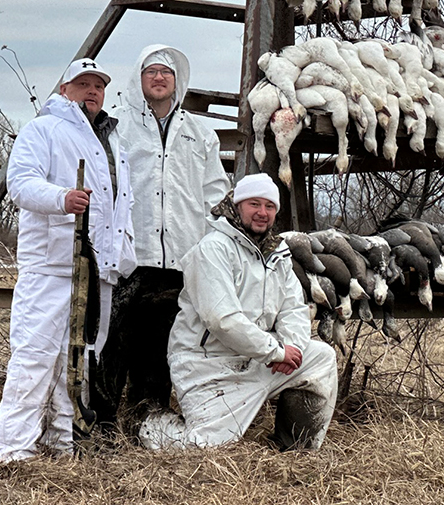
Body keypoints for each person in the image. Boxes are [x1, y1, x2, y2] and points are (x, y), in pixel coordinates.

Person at [0, 58, 136, 463]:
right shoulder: (44, 130)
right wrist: (61, 199)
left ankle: (63, 444)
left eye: (98, 86)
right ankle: (12, 452)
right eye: (83, 84)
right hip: (52, 266)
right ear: (64, 90)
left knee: (79, 361)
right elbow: (20, 184)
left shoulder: (112, 142)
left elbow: (123, 206)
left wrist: (123, 256)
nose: (92, 91)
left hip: (98, 270)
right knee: (35, 356)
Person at [142, 173, 337, 450]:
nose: (262, 213)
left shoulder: (278, 253)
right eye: (254, 204)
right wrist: (275, 352)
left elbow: (293, 307)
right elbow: (222, 320)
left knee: (320, 359)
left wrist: (291, 347)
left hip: (260, 358)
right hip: (209, 363)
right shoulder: (213, 249)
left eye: (269, 206)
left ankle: (295, 447)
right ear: (236, 206)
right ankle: (151, 424)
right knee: (204, 448)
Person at [97, 45, 229, 429]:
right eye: (151, 71)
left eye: (166, 73)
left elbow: (214, 195)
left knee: (161, 346)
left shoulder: (199, 133)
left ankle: (146, 421)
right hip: (129, 256)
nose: (159, 78)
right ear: (138, 79)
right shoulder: (117, 126)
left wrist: (210, 248)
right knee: (113, 342)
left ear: (177, 80)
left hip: (179, 259)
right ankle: (101, 424)